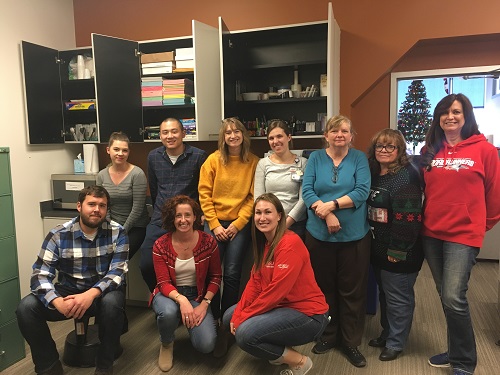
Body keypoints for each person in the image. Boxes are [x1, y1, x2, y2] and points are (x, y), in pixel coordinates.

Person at [420, 93, 500, 375]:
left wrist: (480, 226)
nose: (450, 116)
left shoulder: (484, 151)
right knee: (445, 295)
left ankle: (465, 362)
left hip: (462, 236)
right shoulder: (431, 150)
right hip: (431, 233)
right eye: (444, 112)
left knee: (454, 297)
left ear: (467, 116)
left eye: (456, 111)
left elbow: (495, 195)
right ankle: (455, 352)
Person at [16, 186, 128, 375]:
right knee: (26, 308)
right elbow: (40, 275)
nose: (96, 210)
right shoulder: (58, 234)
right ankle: (49, 368)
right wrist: (56, 301)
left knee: (113, 303)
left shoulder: (118, 232)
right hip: (67, 292)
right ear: (79, 206)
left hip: (100, 294)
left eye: (102, 206)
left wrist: (89, 295)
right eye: (91, 204)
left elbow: (117, 273)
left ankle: (104, 367)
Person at [223, 193, 329, 375]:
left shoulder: (290, 243)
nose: (262, 218)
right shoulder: (265, 243)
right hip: (282, 307)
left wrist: (244, 316)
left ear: (279, 215)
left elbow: (275, 293)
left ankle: (301, 362)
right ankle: (278, 351)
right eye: (258, 213)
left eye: (267, 212)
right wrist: (240, 312)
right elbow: (254, 284)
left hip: (308, 314)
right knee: (229, 317)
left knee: (244, 334)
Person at [302, 115, 371, 367]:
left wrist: (331, 204)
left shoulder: (359, 159)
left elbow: (361, 191)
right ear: (326, 135)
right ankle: (328, 336)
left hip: (353, 237)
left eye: (345, 130)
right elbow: (307, 191)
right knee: (323, 289)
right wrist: (328, 214)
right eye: (334, 130)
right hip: (318, 235)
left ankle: (351, 342)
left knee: (352, 291)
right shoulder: (315, 159)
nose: (339, 134)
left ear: (352, 136)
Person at [198, 117, 259, 356]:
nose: (232, 136)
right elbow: (204, 194)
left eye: (237, 132)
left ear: (243, 135)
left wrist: (237, 224)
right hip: (214, 223)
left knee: (233, 273)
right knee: (210, 272)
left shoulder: (253, 162)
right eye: (228, 133)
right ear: (223, 138)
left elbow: (253, 198)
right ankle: (212, 318)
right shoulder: (212, 160)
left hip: (239, 224)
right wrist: (214, 224)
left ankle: (227, 321)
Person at [366, 129, 424, 361]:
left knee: (399, 298)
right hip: (378, 246)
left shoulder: (406, 176)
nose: (384, 150)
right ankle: (387, 332)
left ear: (400, 150)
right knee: (385, 296)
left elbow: (409, 219)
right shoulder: (374, 173)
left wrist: (397, 250)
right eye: (380, 146)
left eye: (390, 147)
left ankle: (396, 342)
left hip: (400, 250)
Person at [150, 195, 222, 372]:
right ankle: (166, 343)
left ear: (195, 217)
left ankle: (188, 321)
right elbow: (163, 282)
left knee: (206, 345)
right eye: (178, 216)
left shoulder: (208, 242)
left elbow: (216, 277)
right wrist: (182, 300)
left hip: (197, 295)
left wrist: (204, 304)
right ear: (172, 219)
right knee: (168, 312)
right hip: (169, 294)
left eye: (187, 215)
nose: (183, 220)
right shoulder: (160, 245)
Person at [139, 118, 207, 292]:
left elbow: (203, 189)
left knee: (196, 267)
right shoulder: (153, 157)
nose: (170, 136)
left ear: (183, 133)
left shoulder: (199, 156)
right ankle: (163, 296)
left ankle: (187, 301)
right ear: (160, 135)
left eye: (174, 131)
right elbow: (154, 188)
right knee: (146, 264)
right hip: (160, 218)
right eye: (165, 132)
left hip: (188, 221)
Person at [96, 131, 149, 260]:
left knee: (117, 257)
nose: (120, 154)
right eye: (116, 149)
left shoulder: (137, 174)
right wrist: (110, 228)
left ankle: (117, 280)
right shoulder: (101, 176)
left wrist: (120, 231)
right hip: (110, 226)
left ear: (128, 152)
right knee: (96, 256)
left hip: (135, 227)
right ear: (108, 150)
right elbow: (103, 205)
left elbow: (137, 209)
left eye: (124, 150)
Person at [254, 120, 308, 238]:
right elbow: (258, 198)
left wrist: (285, 224)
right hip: (269, 224)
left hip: (295, 223)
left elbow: (304, 198)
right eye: (271, 138)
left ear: (289, 137)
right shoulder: (262, 164)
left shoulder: (303, 163)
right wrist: (271, 222)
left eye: (279, 136)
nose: (275, 141)